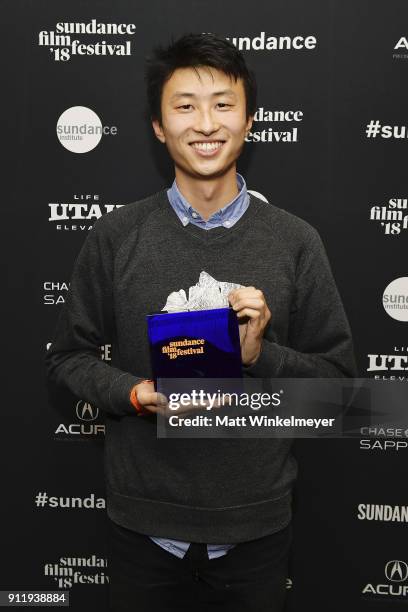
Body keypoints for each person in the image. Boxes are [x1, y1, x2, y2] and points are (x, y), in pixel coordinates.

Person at [45, 33, 357, 611]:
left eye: (223, 104)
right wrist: (132, 392)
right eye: (184, 105)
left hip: (256, 530)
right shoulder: (115, 238)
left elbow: (341, 393)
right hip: (141, 526)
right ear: (159, 127)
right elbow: (67, 360)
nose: (205, 123)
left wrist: (260, 354)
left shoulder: (295, 242)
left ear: (250, 121)